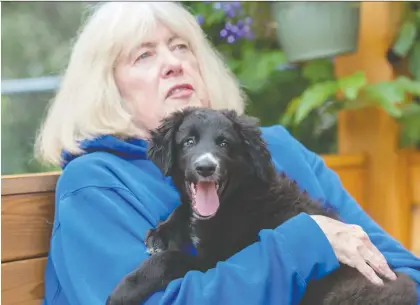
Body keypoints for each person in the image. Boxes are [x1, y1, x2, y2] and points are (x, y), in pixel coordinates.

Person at [35, 2, 420, 305]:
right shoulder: (96, 184)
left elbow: (400, 267)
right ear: (106, 89)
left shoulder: (279, 150)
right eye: (144, 56)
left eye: (181, 46)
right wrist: (307, 243)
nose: (173, 63)